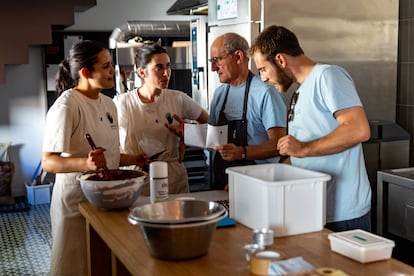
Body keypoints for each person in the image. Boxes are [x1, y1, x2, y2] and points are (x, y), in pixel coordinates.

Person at [249, 25, 372, 232]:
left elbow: (359, 129)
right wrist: (257, 185)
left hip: (344, 214)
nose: (263, 78)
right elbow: (302, 155)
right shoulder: (300, 91)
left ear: (280, 60)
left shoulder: (327, 76)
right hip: (316, 209)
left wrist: (303, 148)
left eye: (263, 70)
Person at [42, 40, 146, 276]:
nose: (112, 71)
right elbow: (49, 161)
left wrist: (134, 158)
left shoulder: (108, 104)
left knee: (102, 265)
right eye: (106, 66)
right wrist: (84, 164)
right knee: (75, 267)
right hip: (76, 204)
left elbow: (108, 156)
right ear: (86, 73)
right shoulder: (67, 106)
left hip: (107, 201)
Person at [113, 42, 209, 195]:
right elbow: (111, 146)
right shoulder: (122, 103)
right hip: (136, 178)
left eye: (168, 66)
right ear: (142, 72)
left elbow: (210, 125)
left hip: (172, 177)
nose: (166, 73)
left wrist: (189, 135)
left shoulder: (178, 99)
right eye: (159, 67)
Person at [208, 32, 287, 190]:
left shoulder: (266, 93)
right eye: (211, 61)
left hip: (257, 184)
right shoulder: (219, 94)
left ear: (238, 57)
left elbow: (279, 146)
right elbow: (213, 140)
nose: (212, 68)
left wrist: (242, 153)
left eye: (217, 60)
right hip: (222, 183)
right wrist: (188, 134)